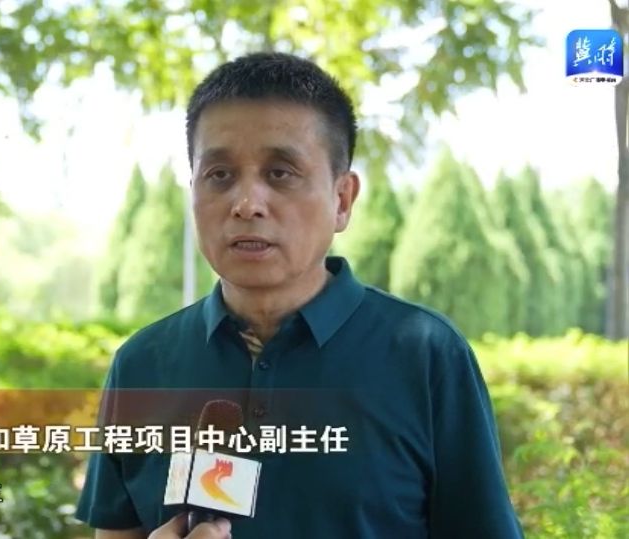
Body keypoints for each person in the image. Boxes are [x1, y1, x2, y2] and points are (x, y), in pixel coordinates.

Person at [75, 52, 523, 538]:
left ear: (342, 200)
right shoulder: (141, 365)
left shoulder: (425, 355)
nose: (247, 204)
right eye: (220, 175)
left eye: (280, 173)